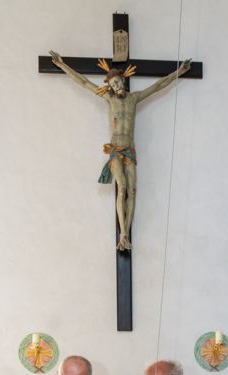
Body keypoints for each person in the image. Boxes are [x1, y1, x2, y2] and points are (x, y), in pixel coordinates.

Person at [49, 51, 191, 251]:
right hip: (116, 150)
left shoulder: (134, 98)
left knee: (132, 191)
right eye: (113, 84)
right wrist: (63, 65)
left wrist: (180, 71)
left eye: (119, 82)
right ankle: (123, 233)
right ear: (110, 86)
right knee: (122, 187)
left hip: (130, 151)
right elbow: (83, 82)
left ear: (123, 81)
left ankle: (125, 235)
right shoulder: (109, 99)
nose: (117, 86)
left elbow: (158, 85)